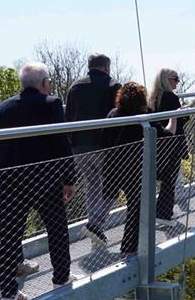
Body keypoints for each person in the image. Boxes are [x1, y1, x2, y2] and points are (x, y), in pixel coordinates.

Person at [0, 63, 78, 300]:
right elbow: (62, 143)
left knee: (10, 236)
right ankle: (61, 278)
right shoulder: (50, 104)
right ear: (43, 83)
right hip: (45, 180)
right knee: (57, 230)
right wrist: (69, 180)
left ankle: (8, 293)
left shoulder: (4, 107)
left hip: (9, 181)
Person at [104, 82, 176, 255]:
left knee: (120, 201)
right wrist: (174, 117)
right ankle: (129, 247)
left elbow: (105, 140)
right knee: (137, 206)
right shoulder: (144, 115)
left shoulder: (112, 114)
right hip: (137, 168)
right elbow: (166, 135)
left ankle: (121, 242)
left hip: (114, 167)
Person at [65, 53, 121, 247]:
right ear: (106, 67)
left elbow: (68, 116)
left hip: (79, 146)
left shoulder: (75, 86)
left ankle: (94, 225)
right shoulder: (113, 85)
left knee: (92, 185)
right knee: (113, 186)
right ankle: (95, 225)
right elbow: (118, 116)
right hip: (103, 145)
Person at [148, 68, 188, 227]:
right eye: (175, 78)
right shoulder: (171, 98)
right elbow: (179, 120)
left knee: (157, 177)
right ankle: (164, 214)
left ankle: (153, 213)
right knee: (169, 178)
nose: (177, 81)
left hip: (156, 143)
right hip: (172, 142)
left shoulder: (152, 98)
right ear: (166, 79)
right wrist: (185, 112)